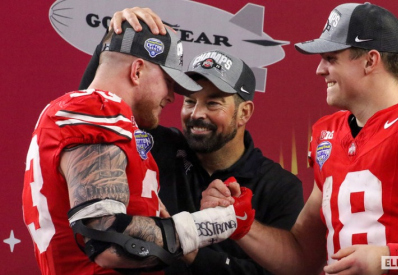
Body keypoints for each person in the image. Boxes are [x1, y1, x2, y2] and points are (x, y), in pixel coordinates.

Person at [200, 2, 398, 275]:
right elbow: (302, 258)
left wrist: (391, 260)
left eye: (331, 58)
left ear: (369, 61)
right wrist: (240, 225)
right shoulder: (330, 136)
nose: (320, 69)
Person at [22, 20, 255, 275]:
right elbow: (107, 238)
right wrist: (214, 224)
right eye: (167, 81)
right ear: (137, 71)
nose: (171, 96)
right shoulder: (97, 110)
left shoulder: (101, 118)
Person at [79, 11, 304, 273]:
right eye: (190, 101)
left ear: (244, 113)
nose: (197, 114)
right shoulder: (157, 146)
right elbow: (95, 116)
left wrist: (190, 246)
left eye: (213, 103)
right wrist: (113, 43)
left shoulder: (280, 187)